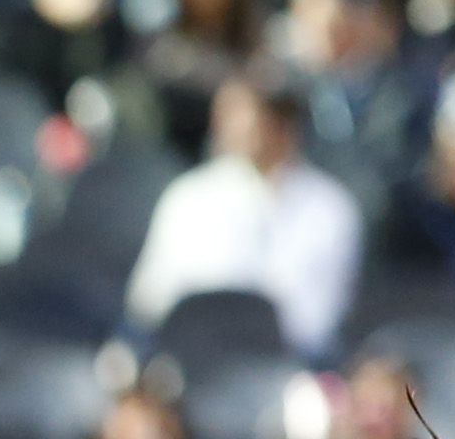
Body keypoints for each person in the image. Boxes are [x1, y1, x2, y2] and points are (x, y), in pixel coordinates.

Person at [124, 74, 366, 361]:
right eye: (225, 114)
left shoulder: (330, 207)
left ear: (283, 124)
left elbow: (320, 319)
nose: (230, 126)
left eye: (243, 113)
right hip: (188, 359)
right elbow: (150, 297)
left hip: (284, 366)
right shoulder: (188, 196)